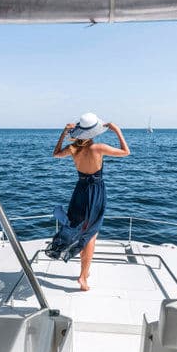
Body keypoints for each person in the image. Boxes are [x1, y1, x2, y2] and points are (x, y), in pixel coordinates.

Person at [45, 112, 130, 291]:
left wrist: (63, 133)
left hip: (79, 192)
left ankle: (85, 270)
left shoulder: (74, 149)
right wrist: (117, 131)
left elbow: (55, 154)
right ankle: (83, 276)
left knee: (83, 229)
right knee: (91, 233)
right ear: (93, 133)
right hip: (95, 193)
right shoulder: (97, 148)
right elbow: (126, 152)